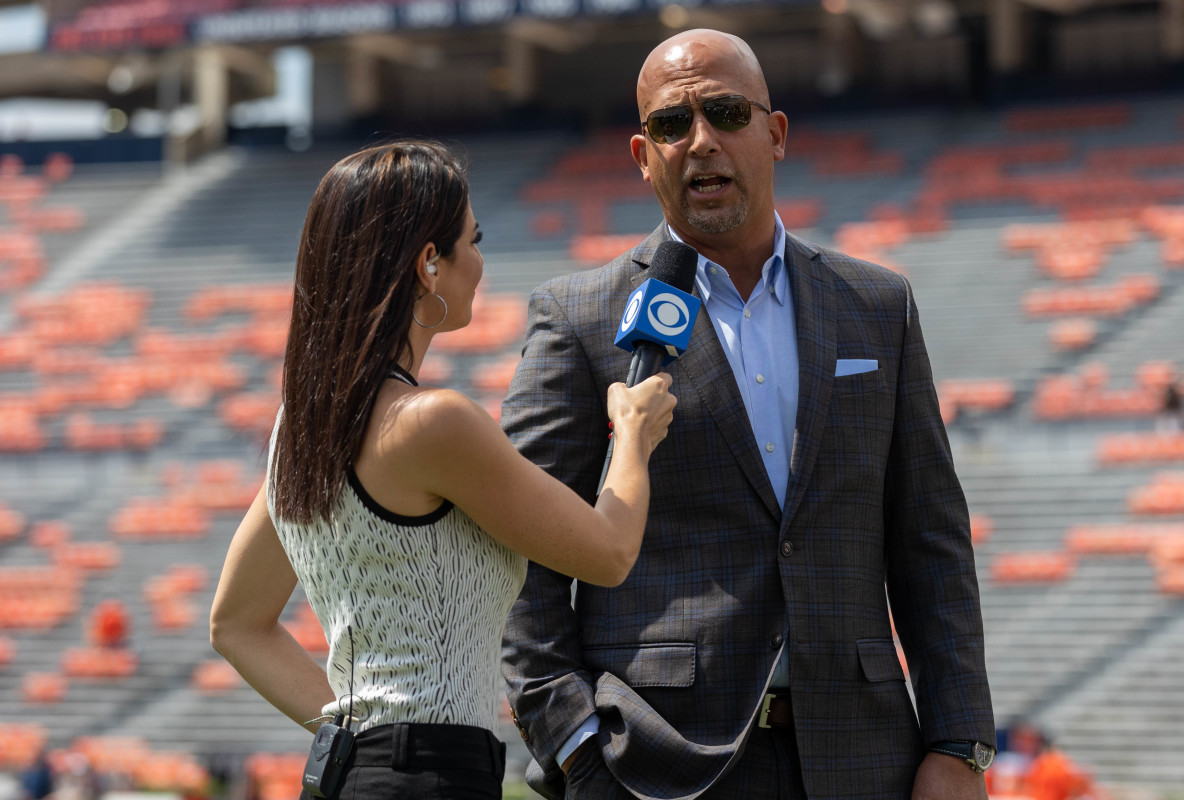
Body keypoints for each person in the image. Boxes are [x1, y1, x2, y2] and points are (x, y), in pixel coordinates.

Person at [500, 30, 994, 800]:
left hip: (865, 761)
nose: (700, 142)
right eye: (671, 124)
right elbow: (518, 557)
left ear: (776, 133)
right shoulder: (578, 318)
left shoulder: (877, 306)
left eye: (726, 113)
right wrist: (576, 749)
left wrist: (959, 743)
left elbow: (930, 540)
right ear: (642, 155)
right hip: (655, 768)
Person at [209, 141, 676, 800]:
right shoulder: (431, 423)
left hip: (355, 777)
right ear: (430, 263)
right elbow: (608, 551)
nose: (482, 262)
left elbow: (235, 624)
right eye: (472, 240)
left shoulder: (300, 425)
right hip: (432, 772)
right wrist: (633, 434)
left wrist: (354, 739)